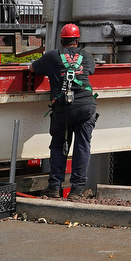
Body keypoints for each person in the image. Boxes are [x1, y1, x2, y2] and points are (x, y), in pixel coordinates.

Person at [29, 23, 98, 199]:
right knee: (82, 146)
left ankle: (54, 187)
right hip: (85, 105)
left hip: (63, 108)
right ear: (77, 40)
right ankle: (76, 191)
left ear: (61, 40)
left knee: (59, 146)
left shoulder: (52, 56)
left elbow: (33, 68)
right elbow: (90, 70)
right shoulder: (86, 56)